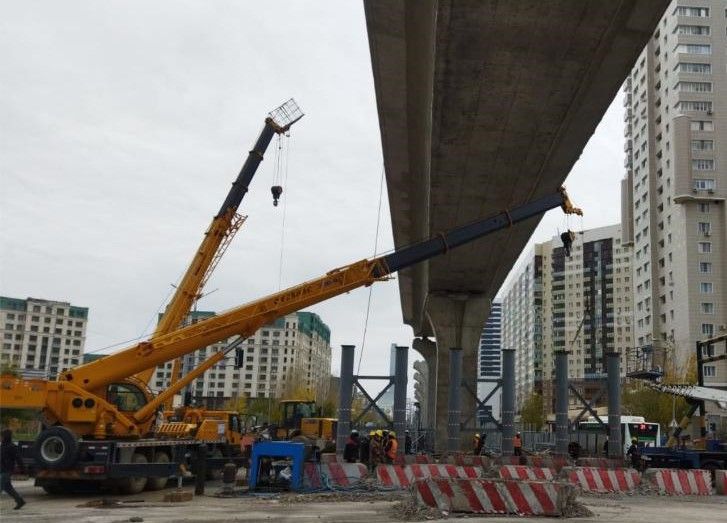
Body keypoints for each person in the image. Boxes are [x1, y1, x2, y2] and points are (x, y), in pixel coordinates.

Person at [1, 429, 26, 510]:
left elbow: (18, 458)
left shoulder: (12, 446)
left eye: (2, 435)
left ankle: (20, 501)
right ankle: (20, 501)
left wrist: (23, 469)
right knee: (7, 488)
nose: (1, 437)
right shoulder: (2, 446)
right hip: (2, 469)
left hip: (7, 470)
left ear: (5, 436)